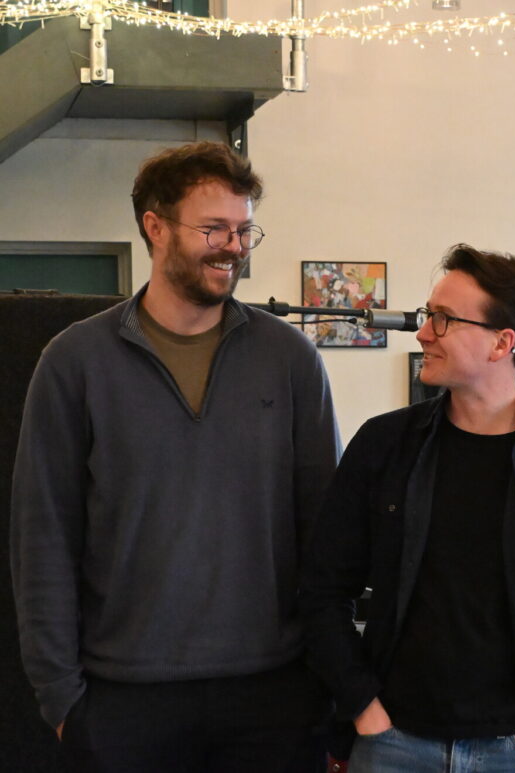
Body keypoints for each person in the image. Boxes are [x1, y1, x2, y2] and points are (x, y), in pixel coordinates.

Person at [9, 141, 343, 772]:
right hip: (122, 699)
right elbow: (42, 536)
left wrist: (330, 683)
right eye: (213, 228)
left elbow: (328, 530)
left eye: (244, 230)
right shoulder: (75, 361)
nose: (233, 247)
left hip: (273, 697)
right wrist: (59, 699)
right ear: (155, 227)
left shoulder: (290, 359)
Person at [299, 245, 515, 773]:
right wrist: (363, 707)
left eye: (443, 318)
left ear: (502, 343)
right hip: (391, 744)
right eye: (428, 315)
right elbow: (322, 588)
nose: (423, 332)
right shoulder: (383, 445)